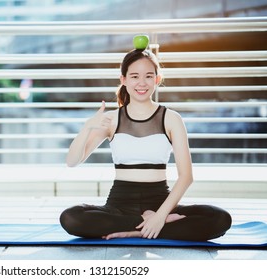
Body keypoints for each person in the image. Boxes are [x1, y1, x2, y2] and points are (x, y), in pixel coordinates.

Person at [59, 43, 232, 241]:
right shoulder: (112, 119)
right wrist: (88, 126)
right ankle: (148, 225)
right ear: (123, 80)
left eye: (148, 76)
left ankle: (143, 228)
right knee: (71, 218)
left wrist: (160, 216)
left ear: (157, 80)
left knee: (219, 219)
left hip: (161, 201)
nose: (142, 83)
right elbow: (72, 161)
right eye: (134, 76)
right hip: (119, 205)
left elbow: (186, 177)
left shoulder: (171, 118)